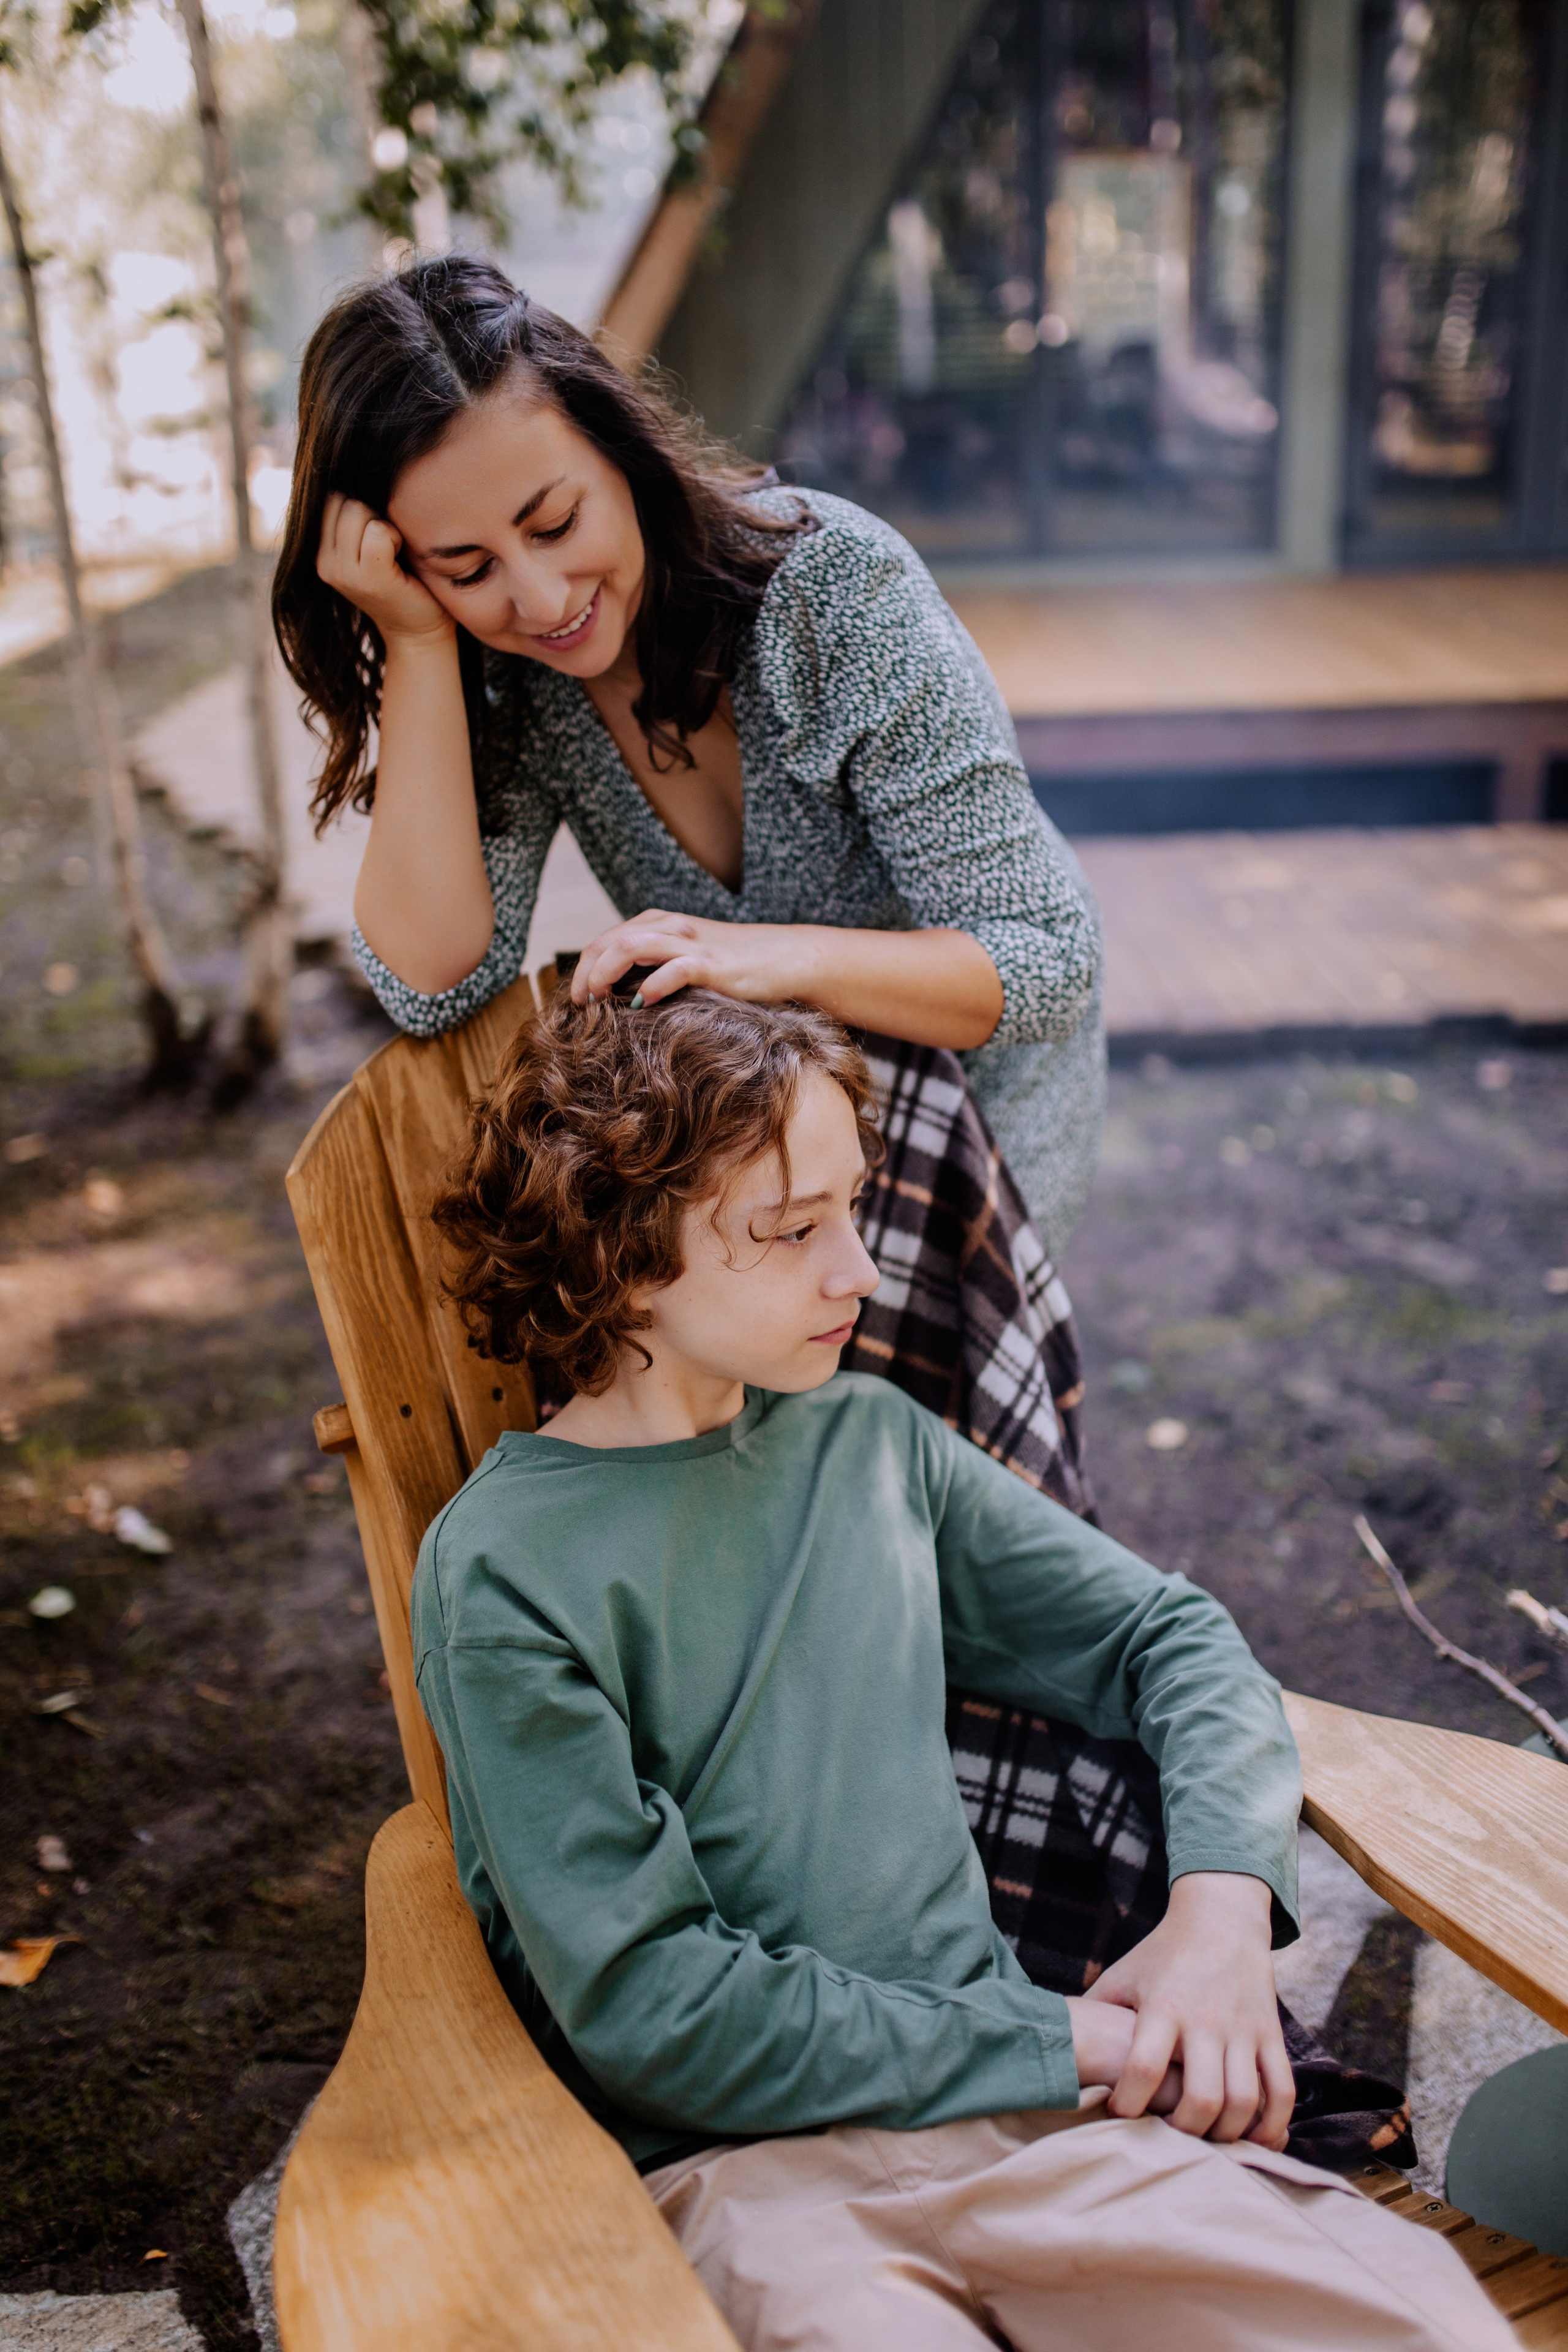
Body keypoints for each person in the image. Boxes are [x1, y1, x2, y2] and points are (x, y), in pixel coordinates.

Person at [412, 985, 1512, 2352]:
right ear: (627, 1256)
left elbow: (1170, 1639)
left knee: (1425, 2330)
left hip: (1036, 2134)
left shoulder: (872, 1450)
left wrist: (1215, 1925)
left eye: (849, 1209)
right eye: (790, 1230)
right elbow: (656, 2010)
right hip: (745, 2185)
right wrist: (1092, 2044)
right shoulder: (508, 1570)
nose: (858, 1271)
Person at [271, 254, 1104, 1264]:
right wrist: (414, 639)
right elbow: (431, 980)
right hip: (767, 1185)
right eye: (469, 566)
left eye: (555, 522)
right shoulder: (509, 687)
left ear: (622, 452)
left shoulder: (834, 593)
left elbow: (1049, 960)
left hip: (976, 1154)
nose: (539, 601)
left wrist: (765, 959)